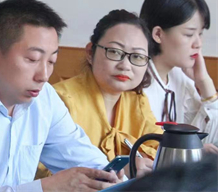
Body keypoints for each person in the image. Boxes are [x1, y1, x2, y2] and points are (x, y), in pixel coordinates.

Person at [0, 0, 121, 192]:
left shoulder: (44, 98)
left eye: (51, 62)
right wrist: (44, 189)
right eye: (32, 59)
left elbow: (82, 156)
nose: (44, 76)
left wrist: (115, 179)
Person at [53, 10, 161, 177]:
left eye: (137, 56)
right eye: (115, 52)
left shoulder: (136, 100)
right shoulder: (61, 100)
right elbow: (46, 171)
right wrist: (121, 169)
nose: (125, 65)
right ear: (90, 53)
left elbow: (160, 147)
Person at [139, 0, 218, 149]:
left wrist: (205, 83)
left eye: (200, 34)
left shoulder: (181, 77)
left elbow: (210, 139)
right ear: (158, 34)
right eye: (189, 34)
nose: (198, 44)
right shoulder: (135, 81)